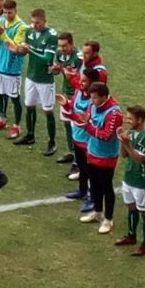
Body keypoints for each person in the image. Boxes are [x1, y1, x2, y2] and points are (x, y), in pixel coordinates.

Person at [75, 82, 122, 234]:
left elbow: (107, 136)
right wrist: (85, 120)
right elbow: (89, 118)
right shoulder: (93, 104)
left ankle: (108, 220)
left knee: (106, 187)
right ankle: (97, 212)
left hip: (106, 156)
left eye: (95, 98)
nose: (92, 101)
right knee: (94, 185)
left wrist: (87, 127)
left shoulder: (114, 113)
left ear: (103, 96)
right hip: (92, 152)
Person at [13, 8, 59, 156]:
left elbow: (47, 59)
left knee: (47, 110)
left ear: (44, 21)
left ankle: (52, 141)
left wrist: (29, 51)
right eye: (33, 22)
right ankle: (30, 135)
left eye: (37, 23)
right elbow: (23, 50)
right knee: (29, 106)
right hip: (31, 76)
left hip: (45, 79)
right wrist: (20, 49)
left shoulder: (51, 36)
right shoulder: (30, 32)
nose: (35, 25)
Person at [115, 106, 145, 256]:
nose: (127, 120)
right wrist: (122, 140)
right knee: (131, 207)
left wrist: (127, 143)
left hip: (141, 181)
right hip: (129, 178)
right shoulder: (131, 133)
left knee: (144, 211)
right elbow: (124, 155)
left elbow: (139, 159)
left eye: (130, 118)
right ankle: (131, 236)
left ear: (140, 120)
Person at [61, 68, 101, 215]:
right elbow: (73, 108)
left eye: (84, 81)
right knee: (82, 169)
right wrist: (66, 104)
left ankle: (93, 198)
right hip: (78, 138)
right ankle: (82, 191)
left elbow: (86, 119)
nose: (80, 82)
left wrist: (73, 115)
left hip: (89, 141)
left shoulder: (94, 101)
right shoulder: (78, 92)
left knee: (91, 172)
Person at [0, 0, 27, 137]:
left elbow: (15, 47)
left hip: (12, 68)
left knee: (14, 97)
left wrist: (2, 34)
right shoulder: (1, 21)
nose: (7, 15)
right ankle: (2, 118)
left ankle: (17, 126)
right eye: (5, 13)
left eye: (9, 13)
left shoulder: (22, 27)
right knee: (0, 92)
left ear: (16, 11)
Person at [52, 32, 83, 168]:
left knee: (75, 126)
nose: (62, 48)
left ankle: (78, 157)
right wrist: (55, 69)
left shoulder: (78, 58)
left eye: (65, 46)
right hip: (66, 93)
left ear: (72, 44)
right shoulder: (60, 53)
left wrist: (61, 68)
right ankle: (72, 151)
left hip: (76, 95)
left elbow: (73, 76)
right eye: (60, 46)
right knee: (66, 123)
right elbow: (56, 71)